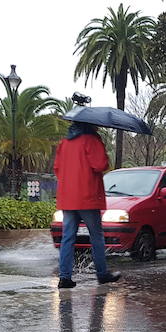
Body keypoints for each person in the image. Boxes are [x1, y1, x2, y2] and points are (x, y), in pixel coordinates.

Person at [54, 122, 121, 289]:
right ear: (90, 125)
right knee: (96, 236)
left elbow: (57, 168)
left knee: (67, 237)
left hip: (68, 198)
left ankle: (65, 277)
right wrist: (103, 152)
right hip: (87, 196)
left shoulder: (64, 143)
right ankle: (102, 274)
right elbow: (100, 165)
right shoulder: (91, 140)